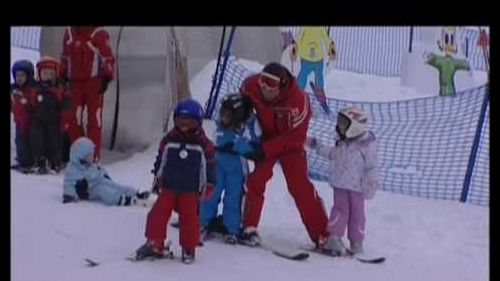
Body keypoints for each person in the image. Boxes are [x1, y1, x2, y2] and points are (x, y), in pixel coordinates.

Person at [238, 62, 329, 248]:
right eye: (262, 81)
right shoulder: (252, 86)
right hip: (265, 138)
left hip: (291, 145)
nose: (264, 88)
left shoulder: (298, 101)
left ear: (282, 85)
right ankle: (248, 227)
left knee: (299, 186)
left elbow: (297, 136)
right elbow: (243, 97)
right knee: (256, 180)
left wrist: (266, 149)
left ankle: (322, 235)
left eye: (270, 85)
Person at [135, 98, 216, 264]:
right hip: (169, 186)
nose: (184, 126)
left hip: (190, 189)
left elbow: (210, 166)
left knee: (189, 219)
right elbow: (161, 160)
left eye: (189, 122)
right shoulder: (169, 139)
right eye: (181, 121)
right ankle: (154, 242)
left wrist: (209, 184)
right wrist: (157, 178)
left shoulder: (204, 144)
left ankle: (189, 247)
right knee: (157, 213)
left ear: (198, 122)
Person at [306, 107, 380, 255]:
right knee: (340, 211)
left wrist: (372, 181)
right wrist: (317, 146)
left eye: (343, 124)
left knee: (357, 216)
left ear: (354, 127)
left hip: (357, 189)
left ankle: (356, 242)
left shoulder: (366, 145)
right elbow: (332, 154)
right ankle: (334, 237)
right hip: (340, 185)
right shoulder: (342, 142)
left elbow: (372, 166)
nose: (338, 126)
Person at [200, 93, 262, 244]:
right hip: (217, 164)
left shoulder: (247, 127)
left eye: (228, 115)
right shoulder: (220, 126)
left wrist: (238, 144)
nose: (223, 118)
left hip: (237, 169)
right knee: (210, 194)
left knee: (234, 197)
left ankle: (232, 228)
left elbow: (253, 148)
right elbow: (213, 140)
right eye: (223, 113)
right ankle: (203, 222)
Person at [60, 26, 115, 162]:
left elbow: (108, 57)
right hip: (74, 84)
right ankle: (80, 152)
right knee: (73, 119)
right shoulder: (70, 33)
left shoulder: (99, 32)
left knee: (94, 121)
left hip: (94, 83)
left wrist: (107, 77)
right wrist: (62, 75)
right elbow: (65, 56)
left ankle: (93, 157)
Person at [62, 137, 150, 205]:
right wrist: (68, 196)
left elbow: (99, 171)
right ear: (82, 156)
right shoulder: (73, 170)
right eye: (90, 155)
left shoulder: (90, 165)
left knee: (115, 186)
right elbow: (68, 183)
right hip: (89, 191)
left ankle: (135, 194)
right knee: (103, 190)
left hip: (99, 181)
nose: (92, 157)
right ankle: (121, 199)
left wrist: (105, 175)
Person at [29, 56, 71, 173]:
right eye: (44, 73)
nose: (47, 76)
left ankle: (54, 162)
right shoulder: (35, 88)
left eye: (50, 74)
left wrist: (64, 115)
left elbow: (66, 103)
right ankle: (39, 160)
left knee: (55, 141)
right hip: (38, 120)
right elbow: (30, 103)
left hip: (54, 120)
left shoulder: (59, 89)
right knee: (37, 140)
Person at [10, 60, 37, 172]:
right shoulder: (13, 89)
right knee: (19, 141)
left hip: (31, 121)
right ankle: (22, 160)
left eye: (22, 75)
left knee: (30, 141)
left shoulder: (32, 89)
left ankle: (30, 162)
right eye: (17, 75)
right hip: (19, 121)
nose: (19, 78)